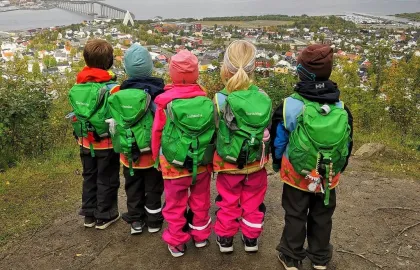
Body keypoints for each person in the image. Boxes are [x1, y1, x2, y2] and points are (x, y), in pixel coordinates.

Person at [271, 44, 353, 270]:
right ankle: (319, 258)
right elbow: (347, 143)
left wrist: (278, 162)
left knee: (295, 213)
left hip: (296, 173)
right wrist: (338, 168)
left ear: (301, 72)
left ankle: (291, 256)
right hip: (328, 174)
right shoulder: (341, 107)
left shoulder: (291, 105)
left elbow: (279, 139)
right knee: (322, 215)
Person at [152, 50, 215, 257]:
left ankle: (177, 241)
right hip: (202, 163)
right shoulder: (205, 100)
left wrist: (156, 158)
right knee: (201, 200)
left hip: (173, 165)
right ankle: (200, 236)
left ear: (172, 73)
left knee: (175, 203)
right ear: (196, 73)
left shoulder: (164, 102)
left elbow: (157, 133)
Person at [213, 40, 272, 253]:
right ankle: (251, 240)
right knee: (254, 202)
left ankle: (226, 240)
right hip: (256, 162)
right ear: (253, 67)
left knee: (228, 201)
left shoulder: (220, 99)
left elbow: (215, 131)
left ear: (226, 67)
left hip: (228, 164)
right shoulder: (263, 97)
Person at [107, 44, 164, 235]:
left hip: (129, 153)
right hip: (152, 153)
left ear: (126, 70)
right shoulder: (158, 92)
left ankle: (136, 221)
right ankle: (154, 221)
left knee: (132, 187)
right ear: (150, 67)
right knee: (154, 188)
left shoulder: (118, 93)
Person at [68, 39, 121, 230]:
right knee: (106, 177)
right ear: (109, 62)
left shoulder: (78, 86)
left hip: (84, 141)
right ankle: (105, 215)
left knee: (89, 176)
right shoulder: (113, 88)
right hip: (106, 143)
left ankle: (89, 214)